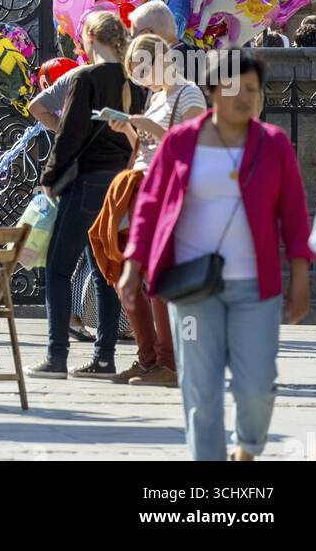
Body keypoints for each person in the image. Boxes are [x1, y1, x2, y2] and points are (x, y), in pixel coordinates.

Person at [119, 50, 313, 462]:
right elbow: (150, 207)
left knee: (258, 382)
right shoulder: (181, 143)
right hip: (192, 288)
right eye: (233, 87)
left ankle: (247, 445)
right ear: (212, 91)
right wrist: (133, 265)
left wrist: (300, 281)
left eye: (253, 90)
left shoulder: (273, 145)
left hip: (254, 287)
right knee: (200, 385)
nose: (245, 97)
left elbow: (295, 216)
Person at [29, 10, 146, 380]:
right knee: (104, 272)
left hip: (87, 181)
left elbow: (71, 135)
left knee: (58, 268)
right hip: (119, 183)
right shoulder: (135, 81)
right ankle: (104, 357)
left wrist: (50, 175)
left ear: (91, 37)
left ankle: (56, 356)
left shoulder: (84, 77)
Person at [103, 33, 206, 388]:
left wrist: (152, 128)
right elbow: (144, 149)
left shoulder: (188, 93)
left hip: (169, 192)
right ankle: (148, 359)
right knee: (122, 270)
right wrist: (131, 131)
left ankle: (169, 363)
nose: (141, 78)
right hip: (139, 187)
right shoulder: (155, 96)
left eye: (143, 69)